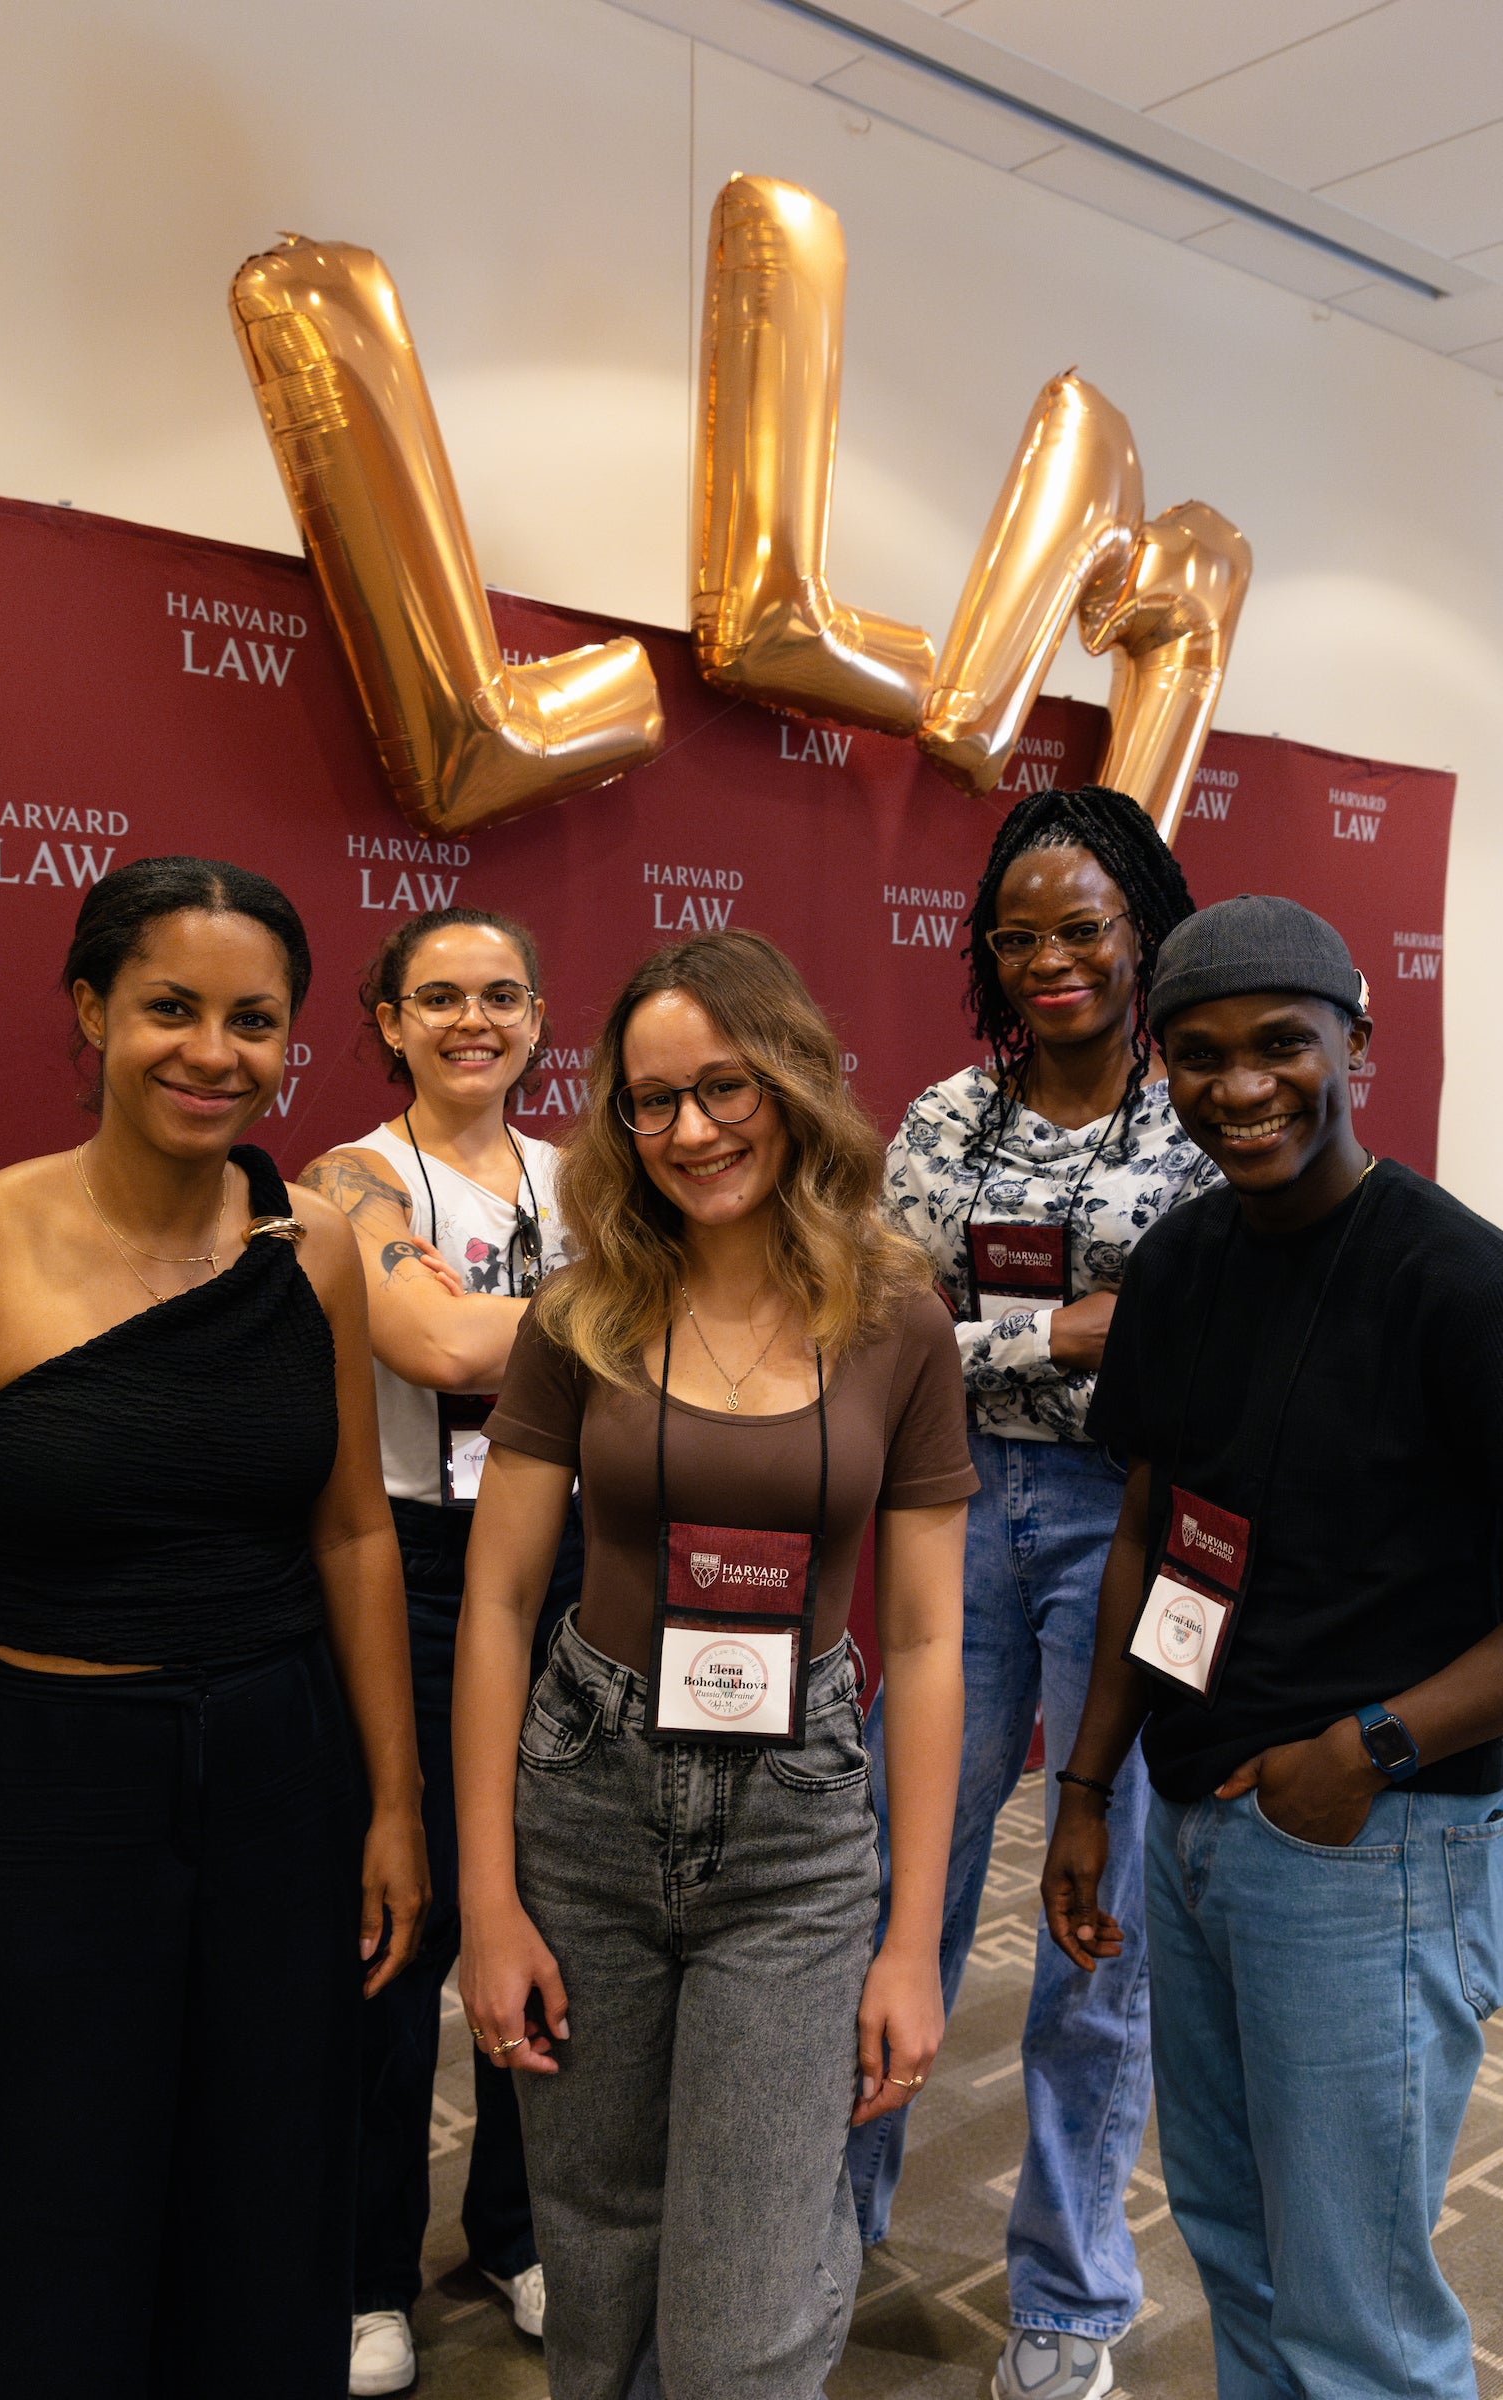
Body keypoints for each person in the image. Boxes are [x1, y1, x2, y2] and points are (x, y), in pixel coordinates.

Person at [0, 856, 429, 2400]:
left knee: (264, 2189)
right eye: (171, 1010)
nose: (215, 1052)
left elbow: (351, 1530)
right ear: (91, 1012)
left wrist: (393, 1806)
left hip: (280, 1771)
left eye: (255, 1020)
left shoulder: (315, 1243)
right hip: (50, 1785)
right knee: (40, 2200)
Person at [452, 928, 975, 2398]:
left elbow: (930, 1642)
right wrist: (489, 1905)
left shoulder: (898, 1322)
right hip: (587, 1795)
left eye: (725, 1088)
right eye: (651, 1100)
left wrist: (915, 1943)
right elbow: (497, 1607)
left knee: (746, 2309)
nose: (690, 1131)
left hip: (797, 1824)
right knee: (599, 2263)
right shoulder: (581, 1309)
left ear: (795, 1084)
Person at [1043, 894, 1503, 2400]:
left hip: (1369, 1837)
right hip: (1193, 1819)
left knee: (1357, 2305)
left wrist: (1362, 1755)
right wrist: (1091, 1790)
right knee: (1236, 2242)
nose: (1241, 1088)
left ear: (1356, 1043)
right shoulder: (1179, 1266)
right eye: (1199, 1055)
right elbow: (1147, 1529)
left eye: (1282, 1047)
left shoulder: (1458, 1283)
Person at [850, 785, 1215, 2400]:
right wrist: (1068, 1331)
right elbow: (885, 1325)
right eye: (1021, 935)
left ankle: (1071, 2293)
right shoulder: (942, 1120)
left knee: (1096, 1921)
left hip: (1126, 1517)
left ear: (1144, 927)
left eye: (1083, 927)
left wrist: (998, 1337)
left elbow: (1192, 1345)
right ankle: (833, 2212)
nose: (1052, 959)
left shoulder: (1201, 1110)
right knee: (892, 1885)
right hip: (947, 1510)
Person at [301, 905, 581, 2393]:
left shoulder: (580, 1175)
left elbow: (495, 1329)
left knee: (548, 1905)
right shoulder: (346, 1178)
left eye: (503, 997)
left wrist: (519, 1312)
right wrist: (628, 1304)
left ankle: (519, 2232)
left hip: (566, 1561)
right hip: (406, 1564)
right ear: (390, 1020)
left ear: (540, 1019)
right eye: (439, 999)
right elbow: (445, 1349)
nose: (475, 1021)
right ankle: (363, 2272)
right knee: (398, 1920)